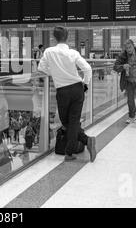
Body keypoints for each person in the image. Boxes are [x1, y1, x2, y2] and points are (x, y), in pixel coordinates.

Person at [38, 26, 97, 162]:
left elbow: (41, 69)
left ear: (54, 38)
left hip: (63, 90)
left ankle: (79, 147)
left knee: (66, 122)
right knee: (74, 121)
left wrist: (54, 72)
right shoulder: (73, 53)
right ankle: (83, 144)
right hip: (77, 88)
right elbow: (88, 69)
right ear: (67, 37)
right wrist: (85, 84)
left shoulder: (48, 52)